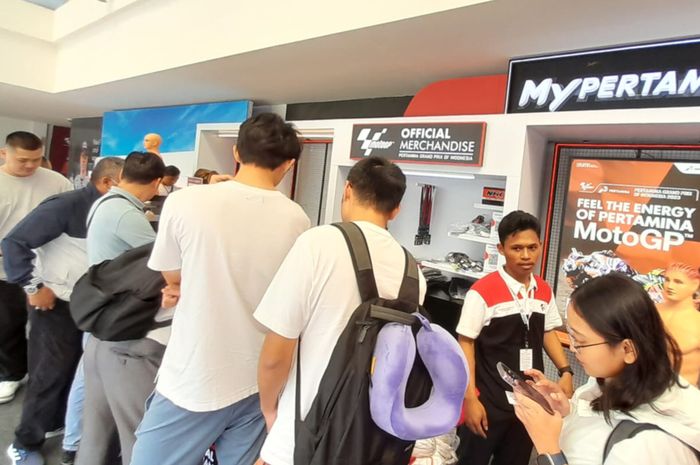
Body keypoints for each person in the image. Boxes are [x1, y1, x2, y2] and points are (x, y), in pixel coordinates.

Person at [129, 113, 309, 465]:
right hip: (259, 379)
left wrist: (184, 284)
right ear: (288, 164)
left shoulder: (186, 202)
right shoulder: (297, 219)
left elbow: (172, 276)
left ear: (236, 152)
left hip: (195, 376)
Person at [253, 156, 427, 465]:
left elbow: (276, 353)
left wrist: (268, 409)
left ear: (347, 190)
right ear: (396, 210)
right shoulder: (413, 272)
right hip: (369, 440)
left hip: (301, 434)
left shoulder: (318, 243)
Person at [2, 158, 124, 465]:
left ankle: (54, 421)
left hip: (90, 304)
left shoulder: (114, 209)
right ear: (107, 182)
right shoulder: (65, 205)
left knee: (74, 370)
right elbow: (14, 242)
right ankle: (24, 442)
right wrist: (33, 287)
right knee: (48, 373)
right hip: (57, 303)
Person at [514, 273, 700, 465]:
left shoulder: (645, 446)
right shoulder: (609, 381)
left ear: (627, 349)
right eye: (571, 336)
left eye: (580, 341)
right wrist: (568, 411)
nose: (573, 348)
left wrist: (548, 448)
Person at [456, 210, 573, 465]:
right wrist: (470, 398)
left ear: (541, 245)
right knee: (471, 459)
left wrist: (566, 371)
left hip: (529, 400)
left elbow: (547, 331)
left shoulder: (543, 290)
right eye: (517, 248)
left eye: (532, 247)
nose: (526, 256)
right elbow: (465, 343)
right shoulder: (482, 292)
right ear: (501, 249)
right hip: (488, 399)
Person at [75, 152, 166, 465]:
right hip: (125, 329)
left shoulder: (104, 203)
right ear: (156, 182)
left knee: (96, 425)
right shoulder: (127, 214)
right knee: (136, 431)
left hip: (102, 322)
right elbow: (163, 262)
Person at [0, 131, 72, 406]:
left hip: (49, 270)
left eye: (37, 159)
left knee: (48, 330)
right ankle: (11, 374)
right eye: (23, 160)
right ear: (4, 153)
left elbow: (73, 217)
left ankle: (46, 383)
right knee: (8, 324)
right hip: (5, 270)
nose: (31, 165)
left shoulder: (57, 182)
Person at [657, 263, 700, 386]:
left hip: (682, 392)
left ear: (695, 285)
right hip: (644, 389)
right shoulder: (650, 312)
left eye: (678, 282)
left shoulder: (697, 323)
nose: (670, 286)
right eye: (667, 280)